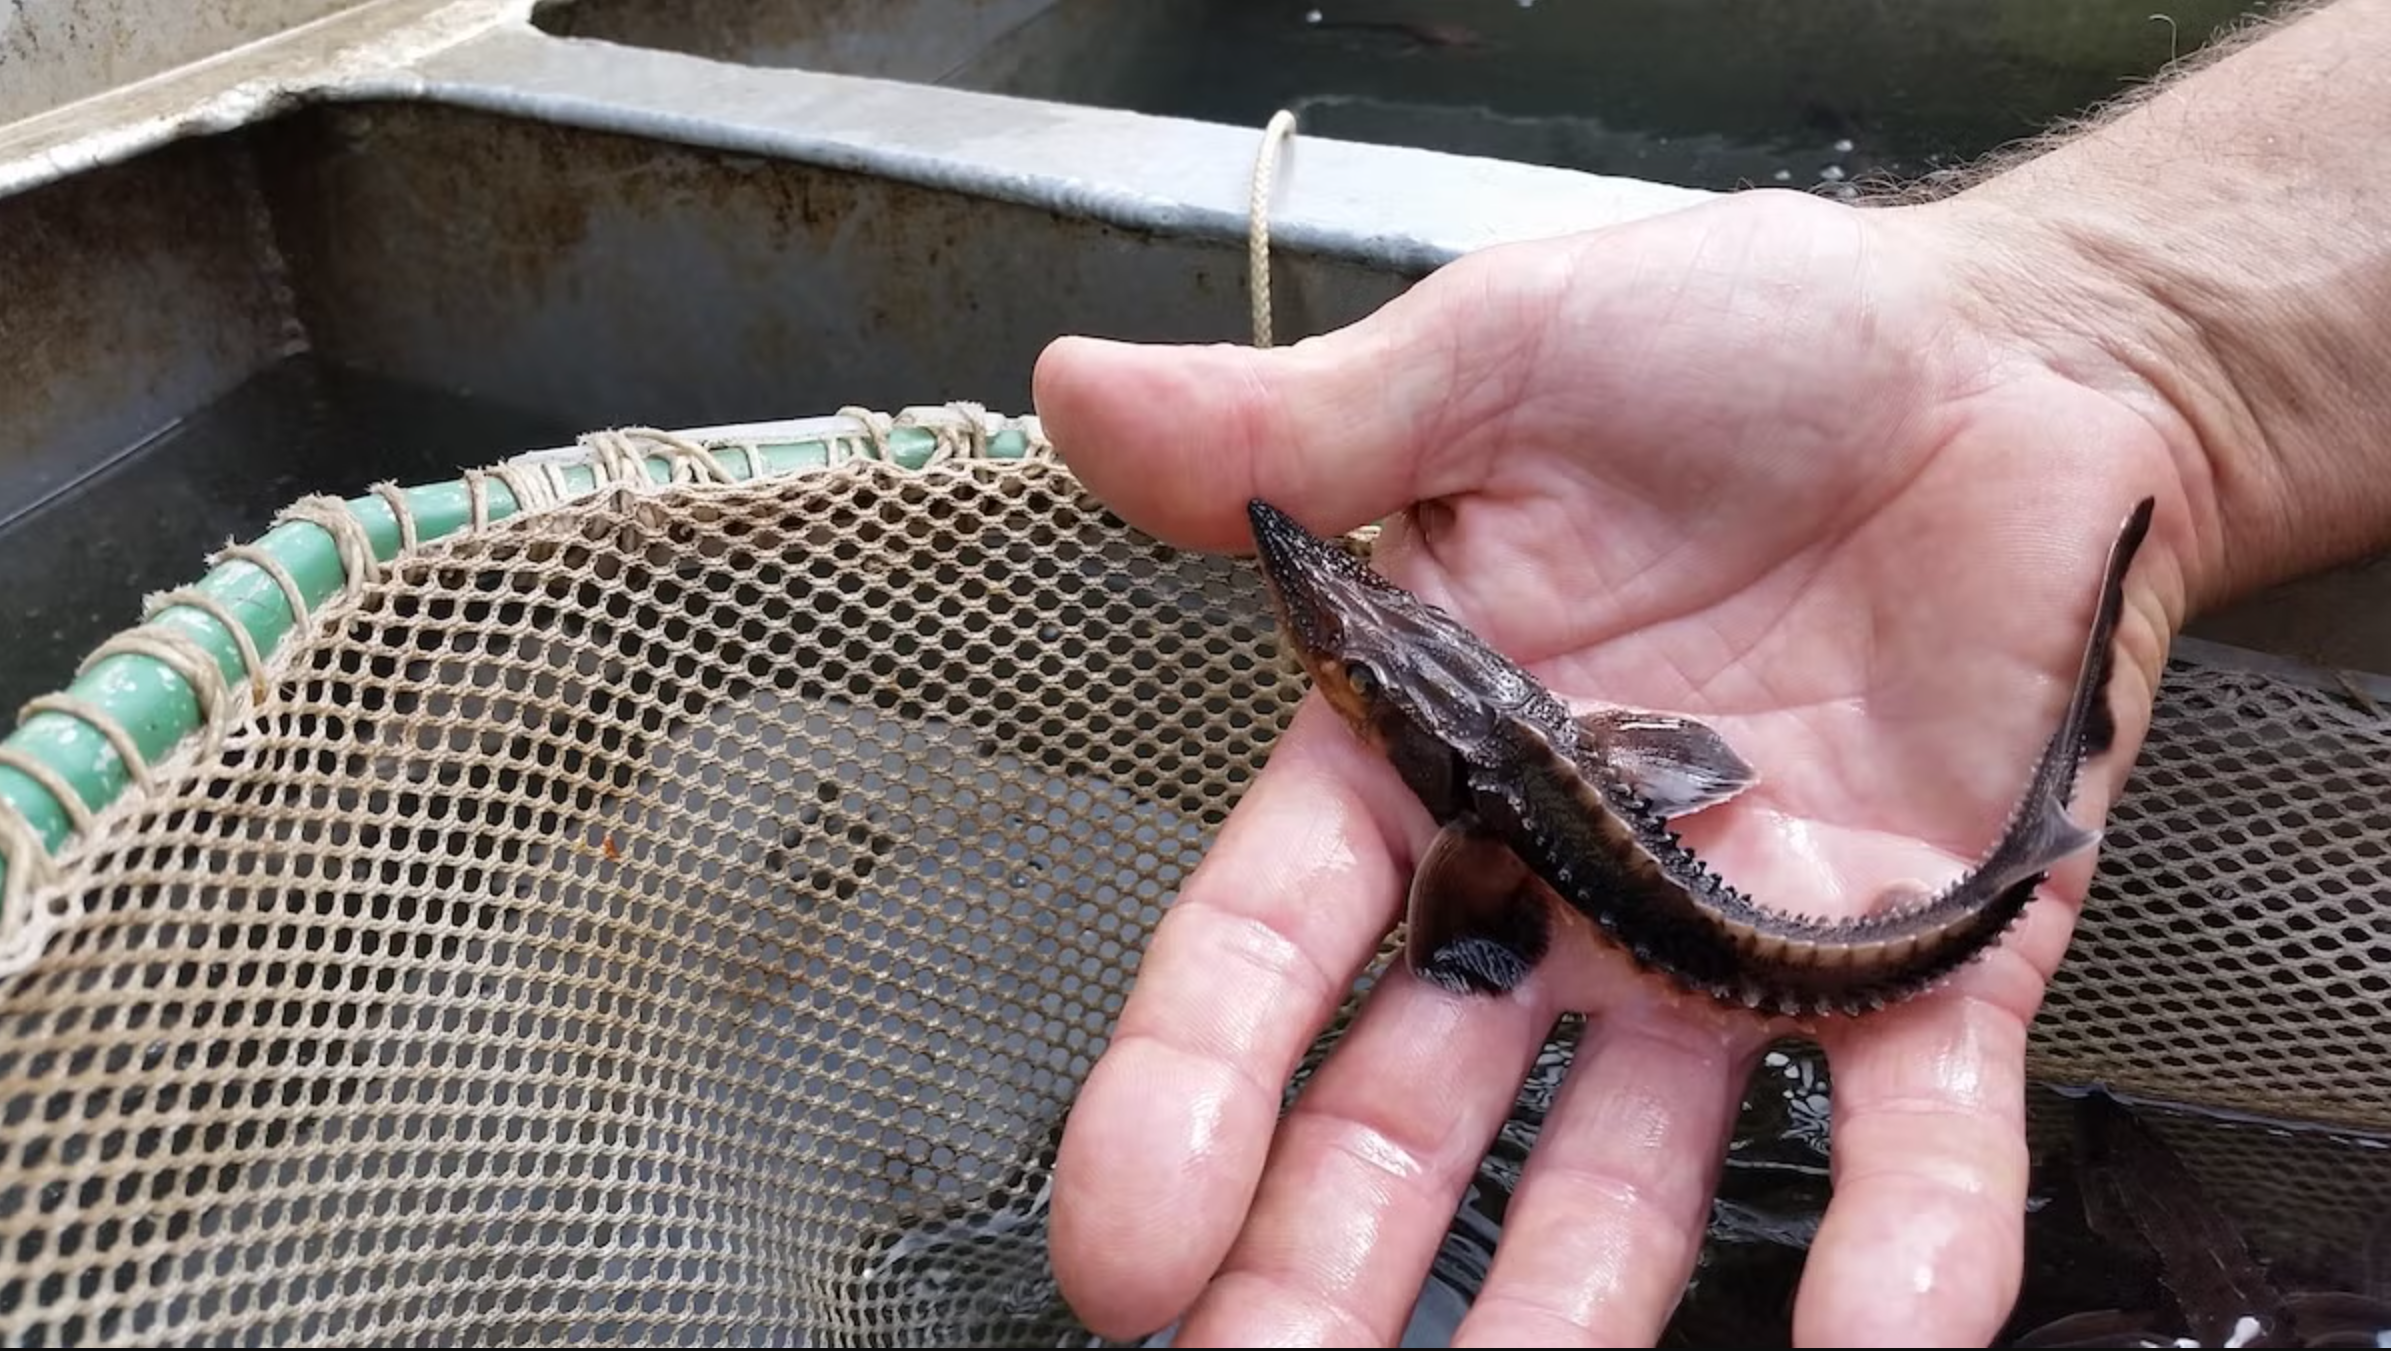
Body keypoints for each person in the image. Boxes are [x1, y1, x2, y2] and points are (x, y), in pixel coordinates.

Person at [1028, 0, 2390, 1344]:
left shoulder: (1486, 823)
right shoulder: (1526, 769)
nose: (1340, 637)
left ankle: (2004, 852)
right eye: (1348, 651)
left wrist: (1464, 934)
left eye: (1360, 641)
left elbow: (1479, 915)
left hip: (1806, 933)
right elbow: (1630, 783)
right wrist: (2147, 350)